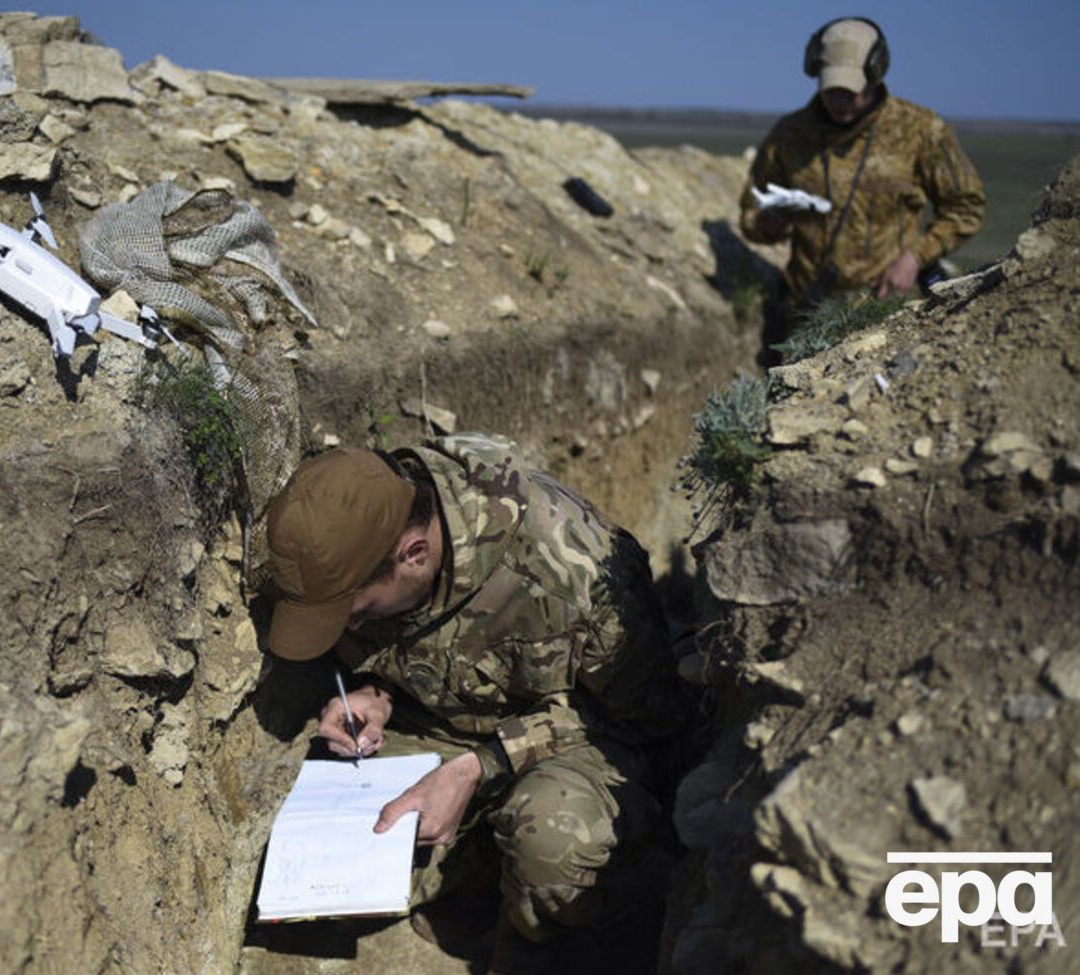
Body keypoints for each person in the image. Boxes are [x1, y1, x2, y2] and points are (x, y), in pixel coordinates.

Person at [264, 435, 693, 972]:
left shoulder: (573, 566)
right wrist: (376, 695)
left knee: (552, 841)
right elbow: (387, 647)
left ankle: (556, 937)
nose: (349, 628)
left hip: (583, 744)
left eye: (357, 613)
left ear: (413, 555)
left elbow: (648, 720)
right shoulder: (362, 526)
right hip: (445, 730)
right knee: (326, 848)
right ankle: (479, 869)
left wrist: (482, 765)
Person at [739, 17, 985, 326]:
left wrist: (916, 257)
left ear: (876, 74)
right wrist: (767, 224)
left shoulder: (920, 131)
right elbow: (752, 209)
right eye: (832, 89)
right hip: (805, 314)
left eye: (851, 90)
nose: (840, 101)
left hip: (887, 314)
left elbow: (966, 206)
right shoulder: (790, 135)